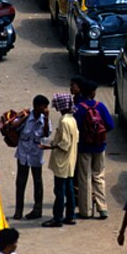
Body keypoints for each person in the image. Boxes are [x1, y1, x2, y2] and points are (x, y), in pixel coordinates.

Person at [74, 78, 114, 219]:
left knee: (84, 178)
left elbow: (75, 129)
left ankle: (86, 211)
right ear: (92, 92)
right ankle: (103, 208)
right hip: (100, 146)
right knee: (99, 176)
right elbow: (110, 125)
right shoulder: (100, 106)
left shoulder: (78, 108)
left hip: (84, 147)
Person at [40, 93, 79, 227]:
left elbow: (65, 144)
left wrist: (49, 146)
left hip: (62, 162)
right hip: (70, 161)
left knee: (60, 191)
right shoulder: (72, 120)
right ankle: (70, 216)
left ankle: (57, 218)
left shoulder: (64, 122)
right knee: (69, 189)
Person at [13, 95, 51, 220]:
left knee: (38, 181)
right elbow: (14, 126)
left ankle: (37, 209)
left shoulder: (44, 119)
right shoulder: (26, 115)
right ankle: (18, 211)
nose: (45, 109)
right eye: (43, 106)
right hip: (23, 153)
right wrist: (23, 119)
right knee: (21, 182)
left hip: (36, 154)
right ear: (36, 106)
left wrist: (46, 119)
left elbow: (46, 134)